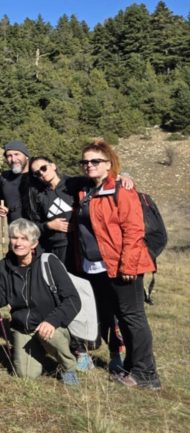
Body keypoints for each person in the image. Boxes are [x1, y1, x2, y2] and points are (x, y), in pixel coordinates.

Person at [73, 139, 160, 389]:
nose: (89, 165)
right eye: (85, 161)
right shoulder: (87, 190)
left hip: (123, 266)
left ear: (109, 164)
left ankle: (147, 374)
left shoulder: (121, 189)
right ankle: (133, 366)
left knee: (133, 317)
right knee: (122, 317)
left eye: (95, 161)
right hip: (101, 267)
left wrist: (128, 266)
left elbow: (133, 229)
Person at [0, 219, 81, 384]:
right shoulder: (4, 266)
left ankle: (68, 366)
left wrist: (52, 321)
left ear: (34, 244)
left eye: (24, 239)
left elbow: (73, 300)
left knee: (50, 335)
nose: (18, 243)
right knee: (26, 375)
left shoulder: (49, 262)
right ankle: (39, 353)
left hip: (51, 325)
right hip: (23, 328)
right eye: (14, 238)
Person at [27, 155, 73, 263]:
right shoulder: (40, 196)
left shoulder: (73, 184)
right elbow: (34, 224)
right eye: (37, 173)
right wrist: (49, 225)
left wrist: (119, 178)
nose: (42, 173)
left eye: (43, 168)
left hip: (77, 247)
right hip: (54, 250)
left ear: (53, 166)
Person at [0, 140, 31, 249]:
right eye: (9, 156)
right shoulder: (4, 178)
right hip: (15, 232)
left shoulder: (38, 176)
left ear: (26, 156)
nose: (13, 159)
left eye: (16, 154)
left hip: (37, 232)